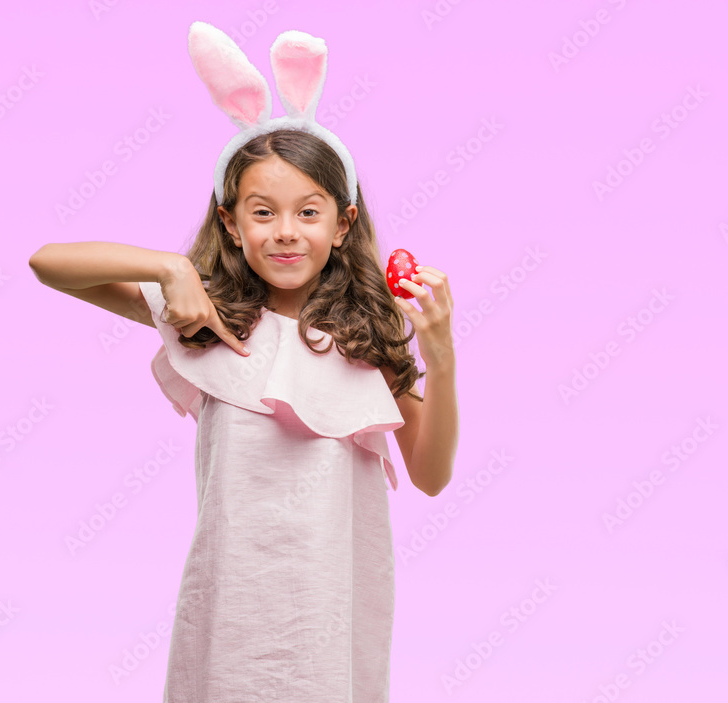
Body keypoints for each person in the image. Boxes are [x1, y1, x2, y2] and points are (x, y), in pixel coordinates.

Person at [28, 21, 458, 703]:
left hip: (333, 619)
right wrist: (169, 267)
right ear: (231, 222)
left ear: (342, 224)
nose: (286, 231)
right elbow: (50, 263)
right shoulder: (210, 315)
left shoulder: (367, 337)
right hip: (232, 616)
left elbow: (430, 475)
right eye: (262, 212)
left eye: (308, 212)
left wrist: (441, 354)